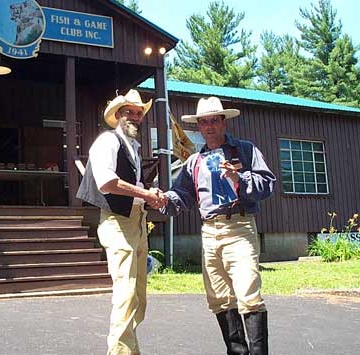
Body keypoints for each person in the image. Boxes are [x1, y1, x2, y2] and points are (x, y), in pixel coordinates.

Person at [159, 97, 276, 355]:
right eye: (203, 122)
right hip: (209, 232)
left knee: (249, 294)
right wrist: (162, 200)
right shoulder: (194, 162)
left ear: (224, 122)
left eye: (214, 120)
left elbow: (267, 184)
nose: (209, 126)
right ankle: (237, 352)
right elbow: (183, 195)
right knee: (220, 299)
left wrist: (239, 177)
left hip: (239, 227)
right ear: (198, 127)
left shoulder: (245, 150)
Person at [76, 89, 166, 355]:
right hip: (117, 223)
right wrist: (145, 193)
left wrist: (151, 194)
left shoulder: (134, 147)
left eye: (139, 113)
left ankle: (129, 350)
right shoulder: (107, 141)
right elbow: (107, 183)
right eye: (130, 112)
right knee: (126, 294)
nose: (135, 117)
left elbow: (135, 186)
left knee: (138, 297)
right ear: (117, 115)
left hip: (137, 220)